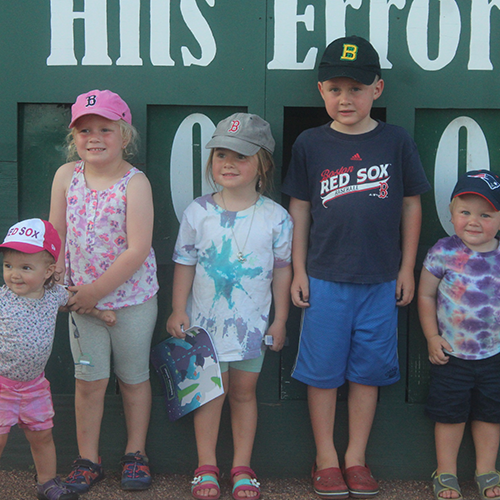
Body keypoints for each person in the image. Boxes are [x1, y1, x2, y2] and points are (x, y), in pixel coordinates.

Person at [282, 35, 431, 499]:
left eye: (357, 89)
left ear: (378, 90)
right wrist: (299, 270)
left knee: (368, 372)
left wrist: (408, 268)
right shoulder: (310, 143)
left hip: (381, 280)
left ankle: (356, 457)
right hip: (324, 278)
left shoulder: (395, 140)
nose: (346, 99)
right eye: (335, 89)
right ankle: (326, 456)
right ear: (321, 91)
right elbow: (300, 210)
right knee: (323, 372)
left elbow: (410, 206)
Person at [166, 113, 293, 500]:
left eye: (240, 156)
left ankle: (241, 466)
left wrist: (281, 319)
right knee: (209, 393)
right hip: (204, 326)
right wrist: (177, 309)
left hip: (251, 327)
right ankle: (206, 465)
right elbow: (184, 263)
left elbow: (283, 272)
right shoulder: (198, 212)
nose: (228, 163)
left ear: (263, 164)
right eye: (221, 154)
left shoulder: (276, 217)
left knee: (243, 392)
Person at [49, 89, 159, 493]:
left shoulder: (135, 183)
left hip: (132, 301)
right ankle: (87, 459)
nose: (94, 137)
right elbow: (56, 232)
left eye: (104, 129)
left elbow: (138, 248)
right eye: (84, 130)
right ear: (73, 137)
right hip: (81, 301)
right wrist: (58, 281)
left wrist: (97, 291)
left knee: (133, 378)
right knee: (89, 381)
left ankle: (135, 453)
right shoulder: (66, 176)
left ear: (124, 135)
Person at [0, 218, 116, 500]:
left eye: (25, 268)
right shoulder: (2, 300)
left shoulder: (53, 296)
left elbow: (76, 303)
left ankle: (47, 483)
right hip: (2, 386)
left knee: (42, 436)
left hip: (34, 386)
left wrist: (101, 314)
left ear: (48, 270)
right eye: (8, 266)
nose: (14, 274)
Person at [418, 170, 500, 500]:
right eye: (465, 212)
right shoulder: (443, 252)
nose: (474, 221)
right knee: (450, 416)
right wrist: (431, 336)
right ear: (451, 215)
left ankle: (486, 469)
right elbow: (425, 296)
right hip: (451, 354)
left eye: (486, 214)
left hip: (494, 354)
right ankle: (446, 471)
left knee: (491, 415)